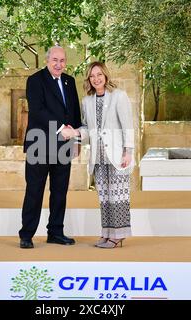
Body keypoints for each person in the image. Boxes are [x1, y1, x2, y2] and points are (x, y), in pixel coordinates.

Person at [18, 45, 82, 249]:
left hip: (64, 145)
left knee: (60, 191)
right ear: (47, 60)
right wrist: (61, 128)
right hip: (40, 143)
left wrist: (77, 140)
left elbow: (74, 112)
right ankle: (26, 234)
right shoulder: (35, 81)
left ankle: (55, 232)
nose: (59, 64)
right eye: (55, 60)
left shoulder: (69, 81)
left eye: (62, 60)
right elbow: (37, 111)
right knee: (34, 191)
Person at [66, 61, 135, 249]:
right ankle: (106, 233)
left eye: (99, 75)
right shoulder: (86, 101)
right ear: (89, 79)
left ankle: (118, 236)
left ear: (105, 75)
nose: (96, 78)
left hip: (117, 156)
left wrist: (128, 152)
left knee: (118, 197)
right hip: (98, 158)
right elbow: (88, 130)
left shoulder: (118, 96)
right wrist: (76, 133)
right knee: (104, 198)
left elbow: (127, 125)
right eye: (92, 76)